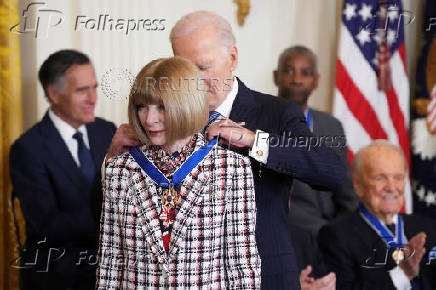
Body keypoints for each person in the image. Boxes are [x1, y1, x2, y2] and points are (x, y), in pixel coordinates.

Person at [107, 11, 345, 289]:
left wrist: (255, 141)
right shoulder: (158, 119)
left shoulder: (276, 112)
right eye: (184, 68)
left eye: (202, 68)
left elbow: (331, 172)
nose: (191, 80)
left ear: (232, 58)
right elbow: (110, 222)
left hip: (265, 275)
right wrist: (112, 158)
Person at [96, 57, 260, 289]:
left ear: (187, 103)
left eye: (161, 106)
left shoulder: (233, 168)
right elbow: (110, 263)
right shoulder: (119, 169)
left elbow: (241, 266)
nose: (149, 119)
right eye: (142, 106)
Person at [9, 49, 116, 290]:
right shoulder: (27, 149)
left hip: (111, 271)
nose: (93, 98)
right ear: (54, 94)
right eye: (82, 90)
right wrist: (117, 215)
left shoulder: (107, 131)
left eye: (94, 87)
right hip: (59, 275)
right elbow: (51, 226)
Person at [318, 140, 436, 290]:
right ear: (358, 184)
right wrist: (402, 274)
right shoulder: (336, 237)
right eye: (380, 178)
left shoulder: (428, 228)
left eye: (398, 178)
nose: (391, 187)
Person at [274, 45, 358, 238]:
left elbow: (345, 190)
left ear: (316, 81)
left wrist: (343, 230)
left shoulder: (331, 126)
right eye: (288, 71)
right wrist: (324, 230)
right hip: (290, 232)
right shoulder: (261, 123)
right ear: (276, 76)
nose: (296, 80)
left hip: (331, 231)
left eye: (305, 73)